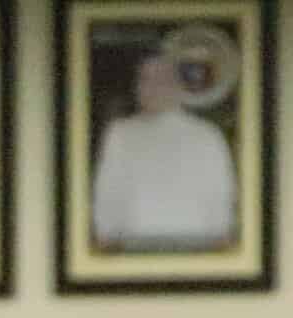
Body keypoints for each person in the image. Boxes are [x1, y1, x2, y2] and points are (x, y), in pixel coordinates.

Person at [91, 54, 236, 250]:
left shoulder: (208, 136)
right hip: (133, 253)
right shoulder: (120, 134)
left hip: (197, 252)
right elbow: (107, 196)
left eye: (161, 79)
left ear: (178, 85)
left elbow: (220, 200)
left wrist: (223, 250)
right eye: (145, 80)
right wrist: (104, 245)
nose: (151, 88)